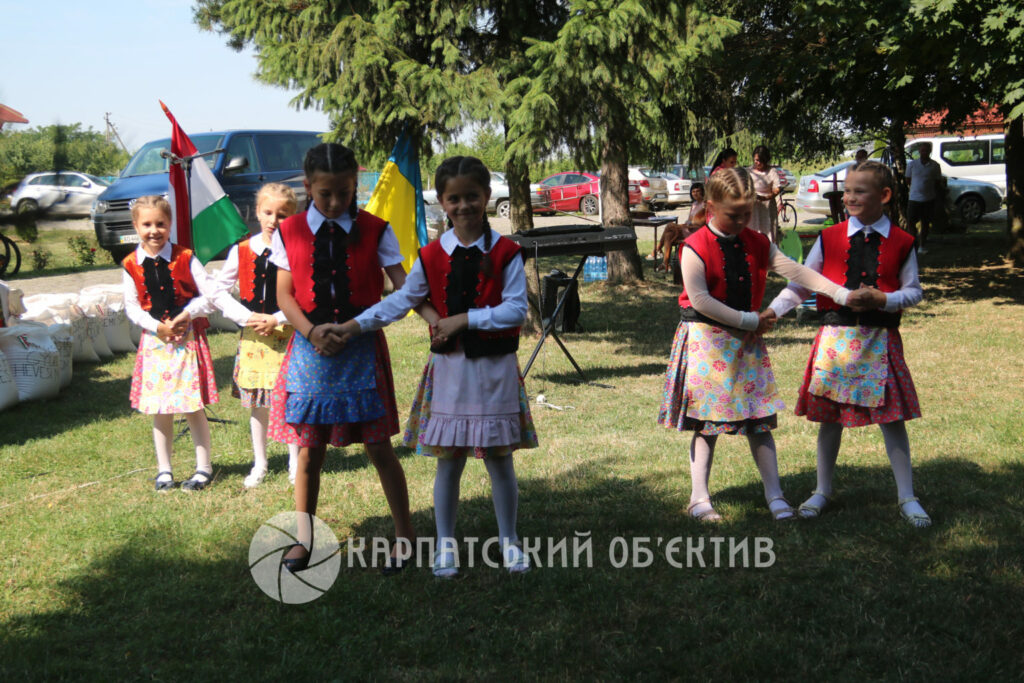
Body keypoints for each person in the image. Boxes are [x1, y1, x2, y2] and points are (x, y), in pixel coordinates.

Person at [339, 156, 538, 577]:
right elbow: (401, 300)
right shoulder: (430, 256)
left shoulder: (506, 253)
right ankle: (446, 544)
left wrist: (464, 320)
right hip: (451, 372)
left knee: (500, 460)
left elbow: (516, 310)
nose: (463, 205)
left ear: (487, 196)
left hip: (496, 369)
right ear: (442, 202)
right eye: (454, 198)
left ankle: (509, 540)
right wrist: (355, 325)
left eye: (472, 197)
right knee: (449, 460)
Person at [657, 168, 869, 522]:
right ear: (710, 206)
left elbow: (799, 272)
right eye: (733, 214)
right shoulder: (694, 247)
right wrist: (750, 320)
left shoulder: (757, 242)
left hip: (746, 343)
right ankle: (698, 498)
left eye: (747, 213)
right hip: (707, 343)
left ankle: (775, 495)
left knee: (759, 419)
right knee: (707, 424)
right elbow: (700, 300)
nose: (741, 221)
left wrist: (841, 293)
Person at [268, 143, 415, 573]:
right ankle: (304, 538)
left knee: (378, 446)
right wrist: (312, 331)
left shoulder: (375, 229)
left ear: (356, 184)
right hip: (311, 352)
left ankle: (404, 536)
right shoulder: (290, 231)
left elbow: (403, 290)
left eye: (345, 193)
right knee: (309, 452)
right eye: (324, 194)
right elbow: (283, 293)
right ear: (308, 185)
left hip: (361, 350)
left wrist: (356, 327)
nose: (335, 203)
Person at [767, 161, 929, 527]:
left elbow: (914, 292)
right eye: (847, 191)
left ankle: (907, 496)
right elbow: (802, 283)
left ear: (884, 196)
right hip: (836, 342)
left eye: (859, 191)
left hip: (880, 340)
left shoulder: (903, 242)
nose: (850, 197)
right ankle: (822, 489)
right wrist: (774, 312)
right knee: (830, 419)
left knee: (893, 418)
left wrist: (884, 300)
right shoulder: (829, 237)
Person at [121, 195, 219, 492]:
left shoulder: (186, 257)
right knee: (160, 408)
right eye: (147, 224)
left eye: (160, 224)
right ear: (136, 226)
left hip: (186, 341)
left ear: (170, 224)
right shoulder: (130, 264)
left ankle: (203, 467)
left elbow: (210, 295)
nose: (154, 230)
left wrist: (187, 314)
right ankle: (164, 469)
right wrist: (157, 326)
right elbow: (132, 306)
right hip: (156, 344)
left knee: (192, 407)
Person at [214, 183, 302, 488]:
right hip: (253, 339)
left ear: (294, 216)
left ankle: (295, 461)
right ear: (257, 212)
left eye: (282, 214)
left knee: (290, 399)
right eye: (268, 212)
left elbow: (304, 293)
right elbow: (218, 291)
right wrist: (246, 317)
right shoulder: (241, 251)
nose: (274, 220)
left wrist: (277, 318)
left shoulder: (297, 250)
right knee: (258, 403)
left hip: (287, 336)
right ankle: (260, 463)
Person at [654, 184, 706, 272]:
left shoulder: (705, 205)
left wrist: (686, 225)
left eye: (698, 191)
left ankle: (657, 250)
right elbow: (689, 219)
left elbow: (701, 222)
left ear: (702, 192)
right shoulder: (694, 204)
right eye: (693, 192)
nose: (695, 193)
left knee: (670, 225)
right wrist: (685, 224)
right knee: (668, 235)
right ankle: (665, 264)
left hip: (695, 231)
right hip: (688, 228)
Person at [905, 141, 942, 253]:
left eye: (926, 150)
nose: (923, 152)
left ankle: (922, 245)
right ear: (919, 151)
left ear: (929, 152)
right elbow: (908, 180)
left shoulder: (935, 166)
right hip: (914, 199)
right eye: (922, 150)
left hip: (928, 199)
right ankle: (912, 244)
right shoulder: (912, 164)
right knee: (911, 222)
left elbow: (937, 181)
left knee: (925, 223)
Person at [748, 145, 785, 243]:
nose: (757, 163)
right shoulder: (749, 172)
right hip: (753, 208)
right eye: (756, 160)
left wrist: (765, 198)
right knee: (753, 233)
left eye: (760, 160)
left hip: (767, 207)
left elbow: (777, 189)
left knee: (769, 234)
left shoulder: (771, 172)